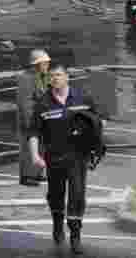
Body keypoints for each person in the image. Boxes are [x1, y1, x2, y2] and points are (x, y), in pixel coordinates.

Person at [28, 64, 98, 255]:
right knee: (56, 195)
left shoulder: (83, 98)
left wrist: (95, 145)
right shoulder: (43, 103)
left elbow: (97, 122)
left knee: (77, 195)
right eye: (52, 76)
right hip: (54, 157)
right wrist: (35, 155)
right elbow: (33, 132)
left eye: (58, 75)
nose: (55, 78)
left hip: (78, 156)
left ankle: (75, 235)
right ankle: (57, 224)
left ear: (67, 77)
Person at [17, 49, 51, 186]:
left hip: (41, 117)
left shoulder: (43, 76)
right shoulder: (26, 78)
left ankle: (37, 173)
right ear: (36, 64)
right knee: (27, 149)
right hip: (30, 119)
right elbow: (25, 103)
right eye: (44, 63)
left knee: (41, 147)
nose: (47, 65)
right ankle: (26, 177)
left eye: (47, 63)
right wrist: (30, 122)